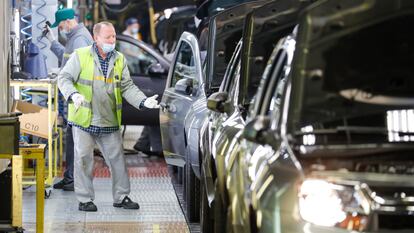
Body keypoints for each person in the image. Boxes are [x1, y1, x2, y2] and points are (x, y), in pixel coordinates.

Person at [57, 21, 160, 212]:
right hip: (84, 119)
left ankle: (121, 197)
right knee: (83, 160)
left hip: (108, 118)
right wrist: (73, 94)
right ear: (96, 38)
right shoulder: (81, 56)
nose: (112, 40)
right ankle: (85, 199)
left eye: (113, 36)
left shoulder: (119, 59)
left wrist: (143, 102)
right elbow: (63, 78)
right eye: (108, 37)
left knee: (117, 161)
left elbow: (127, 86)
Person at [45, 8, 94, 191]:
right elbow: (67, 58)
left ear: (67, 21)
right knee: (73, 138)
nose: (60, 29)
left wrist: (63, 74)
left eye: (60, 26)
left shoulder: (80, 38)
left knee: (78, 139)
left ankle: (75, 179)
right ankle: (70, 177)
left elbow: (80, 68)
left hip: (81, 97)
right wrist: (52, 40)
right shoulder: (74, 37)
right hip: (77, 97)